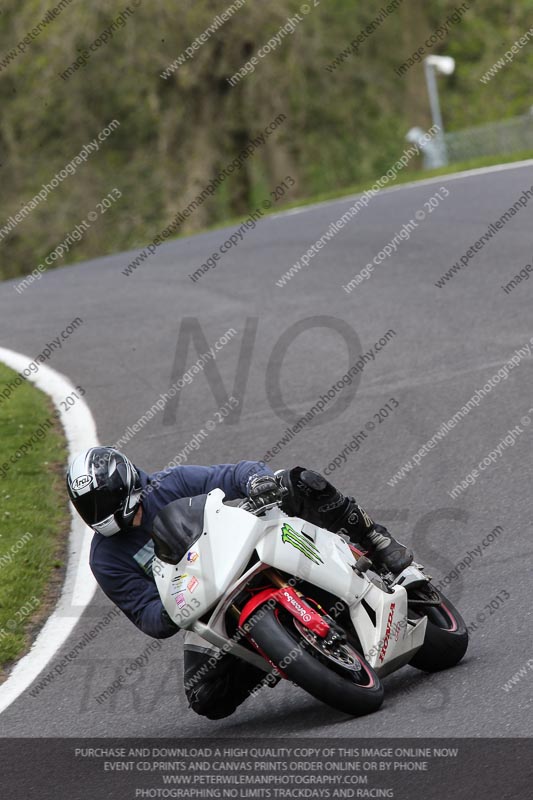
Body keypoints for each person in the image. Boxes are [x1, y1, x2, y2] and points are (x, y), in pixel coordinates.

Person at [67, 447, 412, 719]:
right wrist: (174, 606)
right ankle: (280, 650)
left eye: (103, 501)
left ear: (125, 483)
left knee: (296, 480)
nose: (99, 512)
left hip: (243, 551)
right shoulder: (104, 559)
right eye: (88, 507)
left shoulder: (169, 483)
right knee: (205, 697)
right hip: (206, 601)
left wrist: (257, 482)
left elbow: (234, 473)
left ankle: (373, 539)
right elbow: (145, 614)